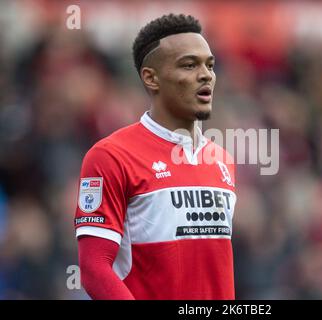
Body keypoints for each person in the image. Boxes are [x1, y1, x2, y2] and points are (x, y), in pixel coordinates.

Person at [74, 14, 236, 300]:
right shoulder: (110, 156)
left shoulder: (221, 160)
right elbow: (93, 268)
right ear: (151, 77)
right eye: (189, 65)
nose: (205, 75)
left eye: (209, 65)